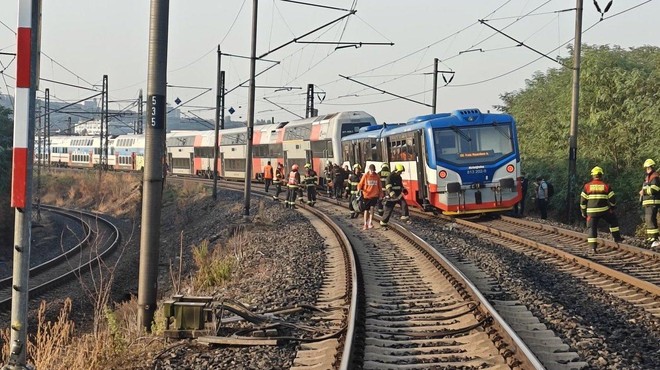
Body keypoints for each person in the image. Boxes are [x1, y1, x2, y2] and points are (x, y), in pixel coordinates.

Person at [580, 166, 623, 253]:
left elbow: (582, 201)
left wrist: (583, 212)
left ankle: (593, 248)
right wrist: (612, 208)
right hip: (604, 211)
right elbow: (612, 199)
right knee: (613, 221)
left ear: (593, 176)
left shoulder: (587, 187)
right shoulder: (606, 186)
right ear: (601, 175)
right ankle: (617, 239)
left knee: (592, 228)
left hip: (591, 213)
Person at [640, 159, 660, 246]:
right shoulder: (648, 177)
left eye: (647, 168)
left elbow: (655, 188)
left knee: (651, 219)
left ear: (650, 167)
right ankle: (651, 237)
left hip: (653, 201)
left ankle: (655, 238)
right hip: (648, 202)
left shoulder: (654, 176)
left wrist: (643, 191)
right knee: (648, 220)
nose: (646, 170)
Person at [357, 164, 382, 230]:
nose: (372, 172)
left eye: (373, 171)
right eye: (371, 171)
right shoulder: (365, 176)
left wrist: (380, 195)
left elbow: (380, 186)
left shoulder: (377, 176)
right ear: (369, 170)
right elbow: (360, 184)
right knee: (366, 210)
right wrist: (359, 189)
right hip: (366, 196)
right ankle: (365, 224)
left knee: (372, 209)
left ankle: (370, 222)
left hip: (374, 195)